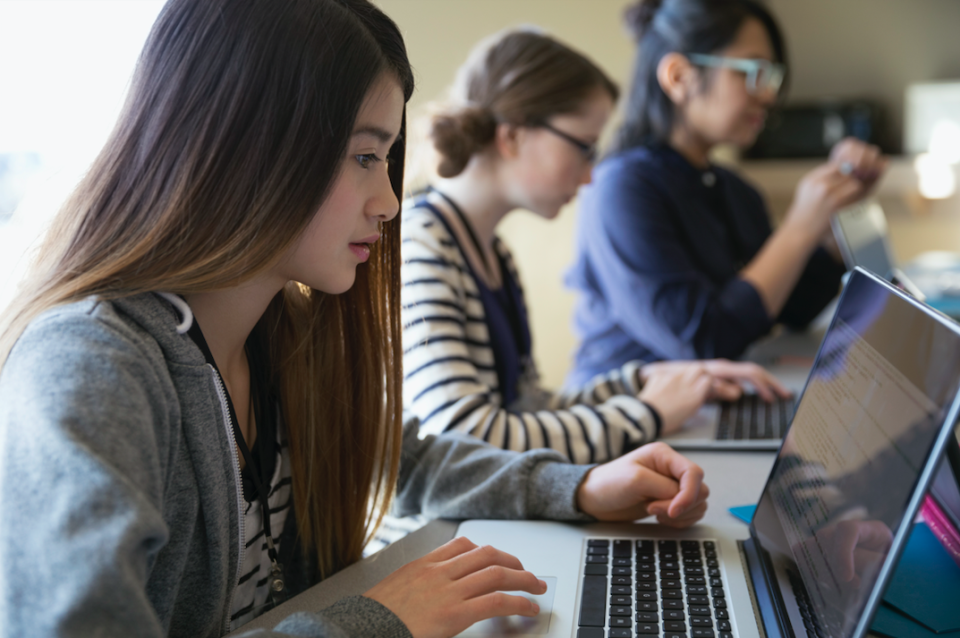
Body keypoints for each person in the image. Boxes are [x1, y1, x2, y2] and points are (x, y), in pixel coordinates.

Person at [0, 1, 717, 637]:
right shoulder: (91, 366)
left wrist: (582, 488)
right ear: (243, 144)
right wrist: (376, 620)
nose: (390, 202)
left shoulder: (280, 332)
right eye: (365, 157)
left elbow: (400, 455)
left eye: (387, 159)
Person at [402, 27, 787, 464]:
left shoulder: (490, 252)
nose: (590, 176)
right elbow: (463, 440)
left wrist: (646, 381)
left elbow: (525, 408)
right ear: (512, 137)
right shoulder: (422, 247)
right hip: (438, 529)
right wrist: (646, 414)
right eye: (584, 148)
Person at [564, 0, 888, 387]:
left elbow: (791, 306)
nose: (768, 95)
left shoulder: (734, 190)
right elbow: (702, 341)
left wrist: (834, 223)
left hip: (709, 406)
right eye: (753, 72)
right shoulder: (621, 189)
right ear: (679, 76)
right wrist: (799, 228)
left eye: (771, 76)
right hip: (626, 422)